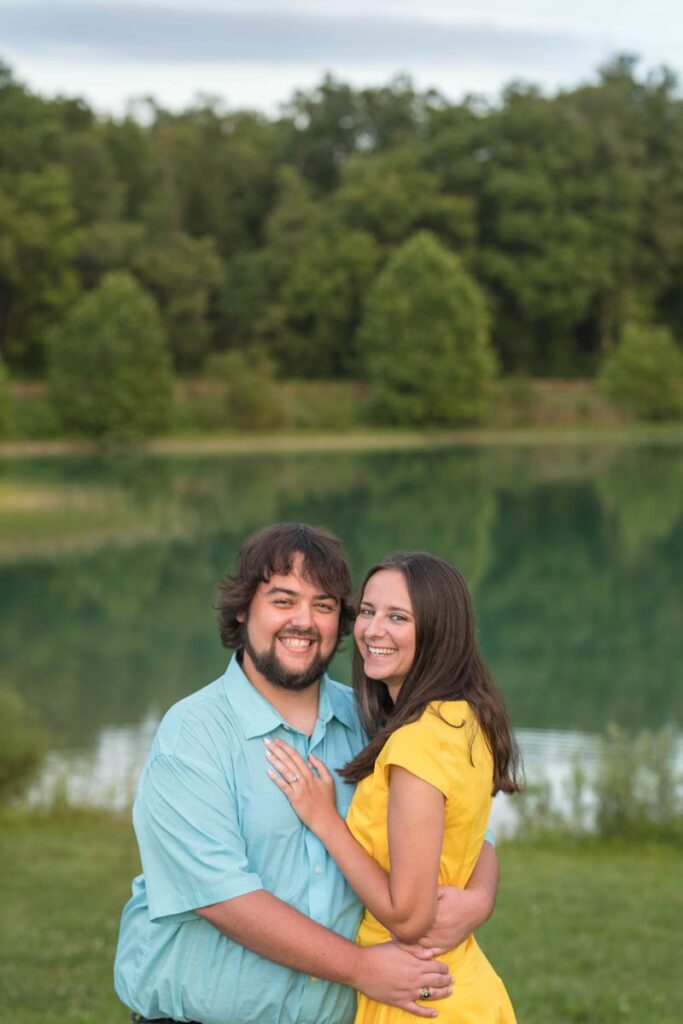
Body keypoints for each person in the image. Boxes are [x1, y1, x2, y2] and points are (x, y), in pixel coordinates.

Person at [114, 524, 499, 1024]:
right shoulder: (193, 736)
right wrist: (361, 968)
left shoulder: (376, 723)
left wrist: (478, 899)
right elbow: (225, 899)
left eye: (323, 605)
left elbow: (466, 824)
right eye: (283, 600)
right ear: (241, 609)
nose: (304, 621)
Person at [265, 551, 520, 1024]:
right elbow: (468, 838)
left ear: (438, 631)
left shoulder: (416, 744)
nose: (372, 630)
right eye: (367, 611)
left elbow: (408, 917)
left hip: (418, 999)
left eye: (397, 617)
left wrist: (324, 820)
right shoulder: (464, 720)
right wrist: (480, 897)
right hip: (454, 983)